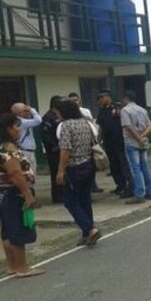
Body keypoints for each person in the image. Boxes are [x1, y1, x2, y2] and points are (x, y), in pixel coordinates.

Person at [0, 113, 44, 278]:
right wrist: (27, 194)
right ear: (8, 129)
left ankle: (12, 265)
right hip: (13, 193)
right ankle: (22, 267)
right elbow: (15, 173)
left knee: (7, 229)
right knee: (18, 228)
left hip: (1, 193)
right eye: (16, 126)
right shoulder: (8, 148)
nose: (19, 130)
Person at [56, 99, 101, 246]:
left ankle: (90, 229)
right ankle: (86, 233)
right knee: (84, 199)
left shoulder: (66, 126)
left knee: (70, 201)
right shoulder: (86, 123)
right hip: (88, 163)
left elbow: (65, 149)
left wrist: (60, 170)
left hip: (74, 166)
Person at [96, 90, 132, 198]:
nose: (101, 100)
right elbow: (100, 126)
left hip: (119, 142)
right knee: (114, 166)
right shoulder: (101, 111)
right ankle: (120, 185)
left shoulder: (117, 107)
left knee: (123, 165)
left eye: (103, 97)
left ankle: (129, 187)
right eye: (99, 98)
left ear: (108, 97)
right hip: (108, 142)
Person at [121, 90, 151, 204]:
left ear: (126, 98)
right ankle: (149, 191)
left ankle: (139, 194)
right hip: (143, 141)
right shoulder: (142, 110)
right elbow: (150, 125)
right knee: (145, 167)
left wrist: (137, 138)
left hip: (131, 143)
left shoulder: (125, 110)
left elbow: (128, 127)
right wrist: (143, 136)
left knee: (135, 169)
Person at [40, 95, 65, 203]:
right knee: (56, 172)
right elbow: (45, 135)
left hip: (62, 148)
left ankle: (63, 193)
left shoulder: (60, 115)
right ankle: (58, 196)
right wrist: (53, 146)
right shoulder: (48, 117)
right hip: (54, 150)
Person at [10, 102, 42, 172]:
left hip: (27, 151)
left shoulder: (20, 121)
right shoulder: (21, 122)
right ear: (19, 113)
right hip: (26, 152)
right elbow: (38, 120)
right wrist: (32, 109)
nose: (28, 112)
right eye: (26, 111)